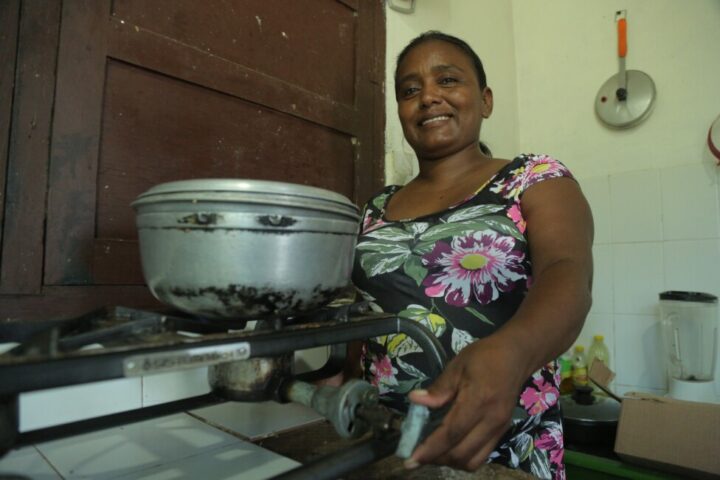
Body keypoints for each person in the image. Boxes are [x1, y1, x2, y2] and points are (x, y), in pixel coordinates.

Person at [351, 31, 593, 479]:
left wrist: (511, 351)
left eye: (447, 80)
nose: (427, 97)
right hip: (388, 445)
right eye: (409, 90)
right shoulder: (377, 208)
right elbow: (362, 315)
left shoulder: (534, 178)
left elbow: (567, 272)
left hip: (506, 449)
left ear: (485, 100)